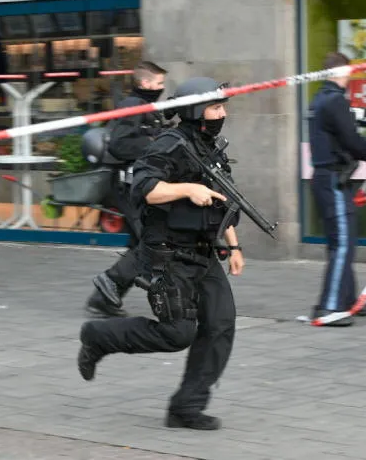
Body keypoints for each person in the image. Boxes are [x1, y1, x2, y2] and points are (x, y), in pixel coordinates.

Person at [77, 77, 245, 431]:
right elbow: (145, 189)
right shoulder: (170, 144)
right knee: (177, 333)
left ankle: (187, 407)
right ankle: (99, 337)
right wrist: (188, 188)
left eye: (222, 107)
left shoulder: (210, 146)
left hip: (203, 252)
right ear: (195, 110)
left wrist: (233, 245)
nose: (222, 114)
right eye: (215, 107)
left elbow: (223, 200)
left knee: (220, 325)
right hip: (169, 255)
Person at [307, 52, 366, 327]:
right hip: (333, 180)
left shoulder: (320, 98)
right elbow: (352, 141)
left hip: (330, 179)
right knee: (343, 244)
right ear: (344, 72)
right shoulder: (335, 101)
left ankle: (346, 300)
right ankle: (329, 307)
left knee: (342, 242)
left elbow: (345, 140)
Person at [84, 61, 169, 318]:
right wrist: (154, 142)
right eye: (159, 83)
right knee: (149, 242)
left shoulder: (144, 106)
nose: (161, 88)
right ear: (144, 83)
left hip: (134, 184)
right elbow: (120, 144)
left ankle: (104, 298)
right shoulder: (133, 106)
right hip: (128, 186)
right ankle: (108, 286)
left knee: (141, 243)